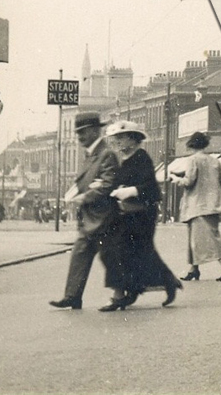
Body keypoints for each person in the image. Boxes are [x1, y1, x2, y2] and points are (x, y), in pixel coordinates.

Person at [97, 121, 182, 311]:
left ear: (133, 139)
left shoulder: (141, 158)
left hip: (142, 214)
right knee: (130, 252)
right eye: (114, 139)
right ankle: (150, 284)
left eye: (120, 138)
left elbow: (150, 188)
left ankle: (124, 293)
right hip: (127, 212)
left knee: (133, 251)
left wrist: (128, 191)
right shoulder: (124, 159)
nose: (116, 142)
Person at [50, 112, 119, 310]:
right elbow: (87, 181)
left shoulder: (106, 154)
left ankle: (124, 293)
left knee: (112, 259)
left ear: (96, 130)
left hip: (105, 218)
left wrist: (84, 197)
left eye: (83, 132)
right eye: (78, 132)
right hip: (91, 218)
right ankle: (72, 296)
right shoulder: (91, 154)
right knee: (80, 254)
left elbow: (108, 183)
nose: (79, 137)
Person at [171, 131, 221, 282]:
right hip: (213, 205)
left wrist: (175, 179)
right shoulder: (215, 161)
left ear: (191, 145)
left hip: (197, 205)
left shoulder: (193, 160)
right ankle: (194, 269)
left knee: (204, 239)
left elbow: (189, 182)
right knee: (206, 236)